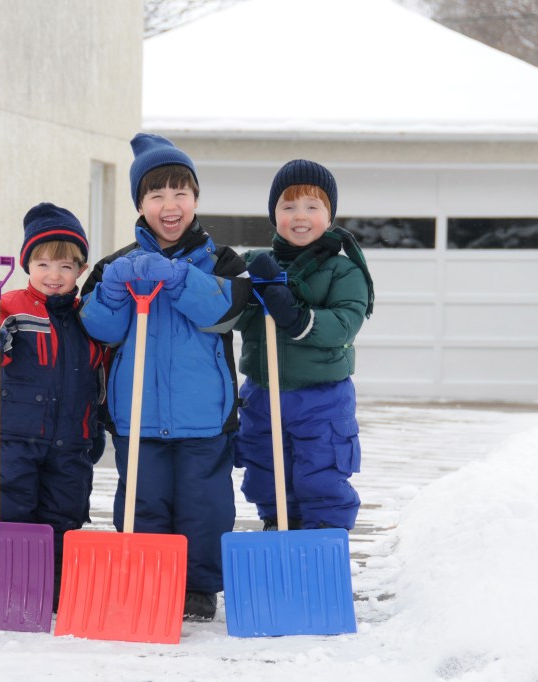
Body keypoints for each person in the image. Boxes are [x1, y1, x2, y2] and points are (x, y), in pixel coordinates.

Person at [78, 133, 251, 621]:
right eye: (156, 195)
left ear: (196, 200)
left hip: (203, 418)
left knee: (205, 507)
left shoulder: (223, 263)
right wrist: (112, 290)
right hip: (139, 416)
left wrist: (178, 279)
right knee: (143, 502)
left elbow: (223, 314)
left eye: (181, 193)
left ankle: (198, 587)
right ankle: (148, 579)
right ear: (140, 204)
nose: (169, 205)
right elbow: (101, 331)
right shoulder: (116, 266)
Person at [0, 202, 107, 610]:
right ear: (27, 265)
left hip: (71, 442)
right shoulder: (8, 306)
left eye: (65, 266)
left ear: (81, 270)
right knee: (10, 510)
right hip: (14, 438)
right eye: (43, 264)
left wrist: (95, 427)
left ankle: (57, 591)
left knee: (65, 516)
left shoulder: (88, 319)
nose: (54, 276)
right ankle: (10, 587)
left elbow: (100, 375)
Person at [234, 159, 374, 532]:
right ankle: (278, 531)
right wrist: (240, 289)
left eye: (313, 206)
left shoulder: (344, 271)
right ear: (273, 214)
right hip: (263, 394)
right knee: (266, 471)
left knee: (322, 474)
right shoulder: (257, 266)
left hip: (322, 398)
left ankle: (323, 547)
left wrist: (297, 317)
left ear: (329, 217)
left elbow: (345, 324)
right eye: (288, 206)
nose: (300, 216)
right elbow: (232, 318)